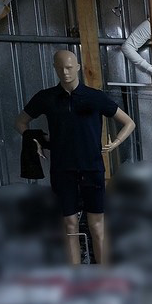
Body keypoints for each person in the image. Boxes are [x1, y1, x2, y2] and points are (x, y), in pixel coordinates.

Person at [14, 50, 135, 265]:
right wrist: (33, 139)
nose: (65, 72)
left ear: (78, 67)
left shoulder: (94, 97)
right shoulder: (46, 97)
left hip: (92, 168)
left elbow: (129, 122)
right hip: (62, 169)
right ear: (54, 68)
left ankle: (105, 276)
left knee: (97, 225)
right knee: (69, 225)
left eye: (69, 67)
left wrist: (115, 142)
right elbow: (20, 122)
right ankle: (75, 278)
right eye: (60, 68)